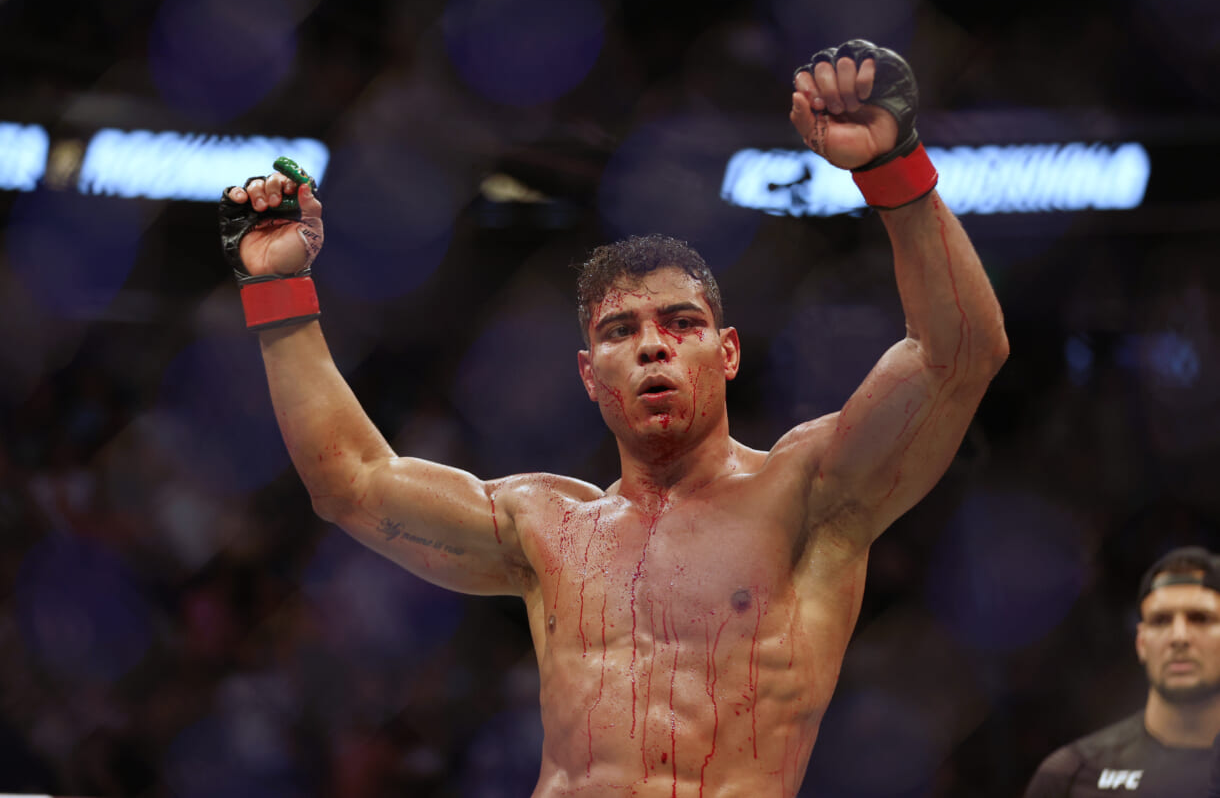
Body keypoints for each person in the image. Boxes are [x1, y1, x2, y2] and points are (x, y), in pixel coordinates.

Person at [216, 39, 1008, 796]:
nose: (653, 346)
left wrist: (894, 168)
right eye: (621, 331)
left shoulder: (810, 490)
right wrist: (278, 293)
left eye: (682, 323)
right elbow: (352, 482)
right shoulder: (544, 525)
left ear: (729, 352)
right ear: (590, 376)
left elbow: (958, 356)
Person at [1023, 546, 1220, 797]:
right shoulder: (1068, 776)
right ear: (1141, 642)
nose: (1178, 637)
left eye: (1201, 618)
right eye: (1160, 620)